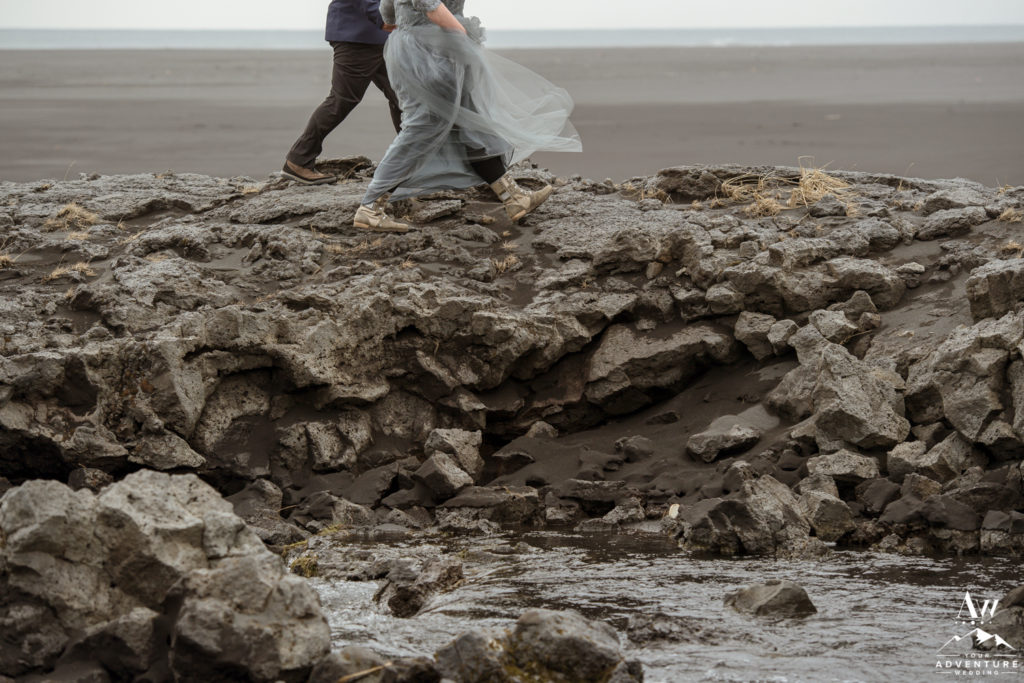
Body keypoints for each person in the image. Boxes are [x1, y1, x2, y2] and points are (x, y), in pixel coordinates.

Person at [353, 0, 581, 232]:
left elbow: (388, 12)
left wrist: (407, 28)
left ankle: (512, 197)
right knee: (423, 126)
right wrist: (460, 36)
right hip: (432, 52)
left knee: (471, 122)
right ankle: (370, 208)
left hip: (423, 48)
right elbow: (429, 6)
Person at [282, 0, 403, 185]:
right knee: (342, 100)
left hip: (382, 36)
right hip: (360, 36)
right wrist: (382, 18)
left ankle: (412, 160)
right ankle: (298, 161)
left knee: (405, 98)